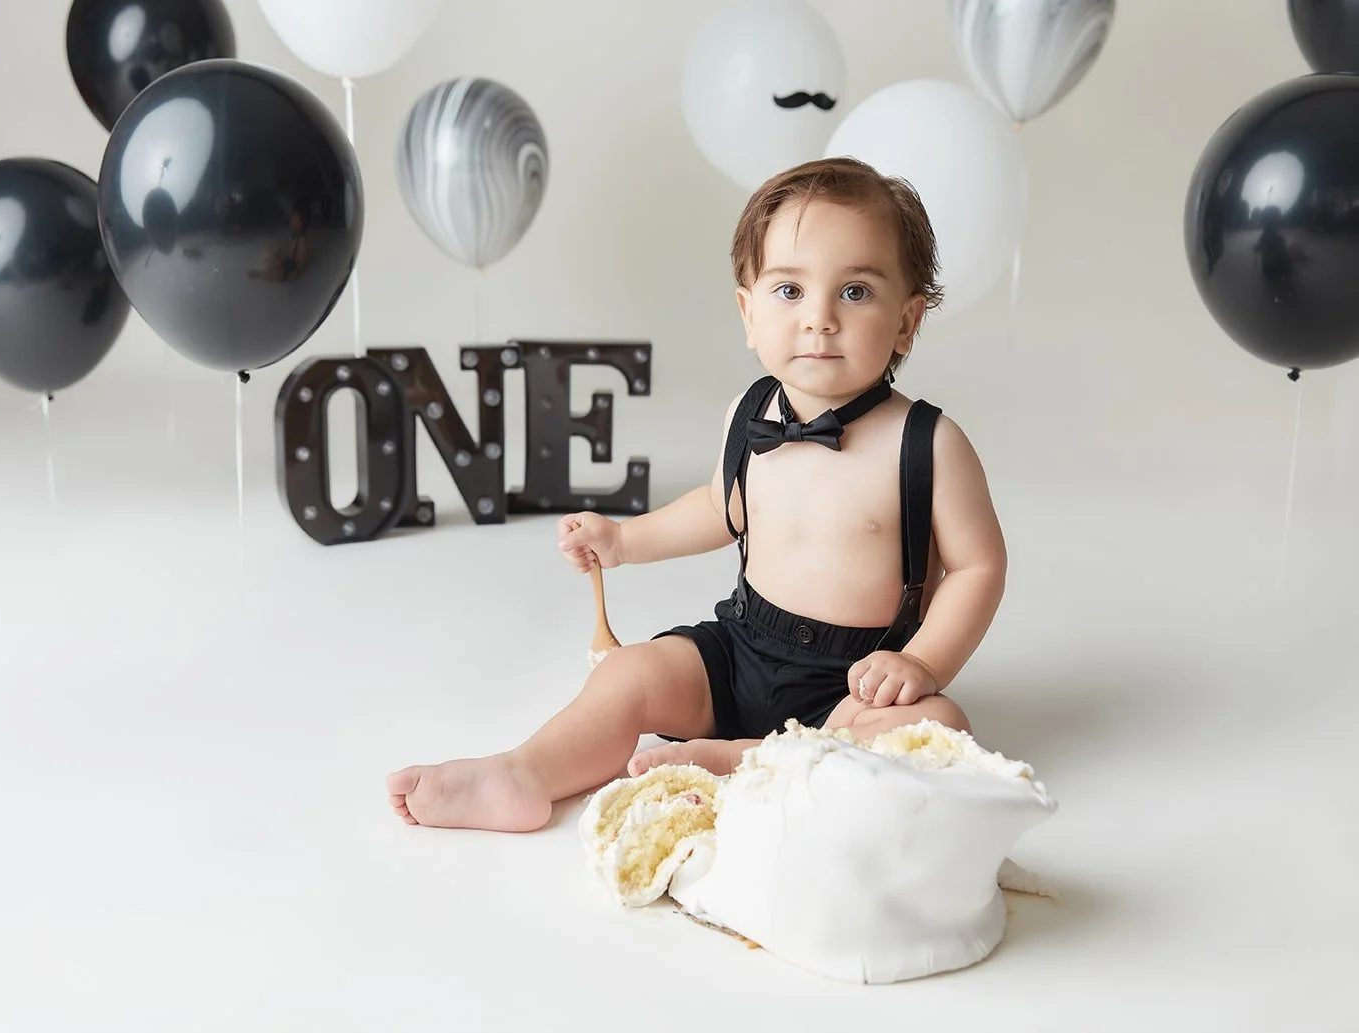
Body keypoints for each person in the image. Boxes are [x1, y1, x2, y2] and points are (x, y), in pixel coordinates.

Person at [386, 157, 1007, 833]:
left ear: (908, 320)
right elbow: (720, 508)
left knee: (939, 724)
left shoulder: (929, 444)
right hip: (740, 647)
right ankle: (524, 771)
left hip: (855, 683)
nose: (820, 319)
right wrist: (624, 541)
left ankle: (746, 759)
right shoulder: (750, 411)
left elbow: (978, 567)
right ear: (748, 311)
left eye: (854, 292)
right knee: (627, 674)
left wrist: (920, 660)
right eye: (790, 291)